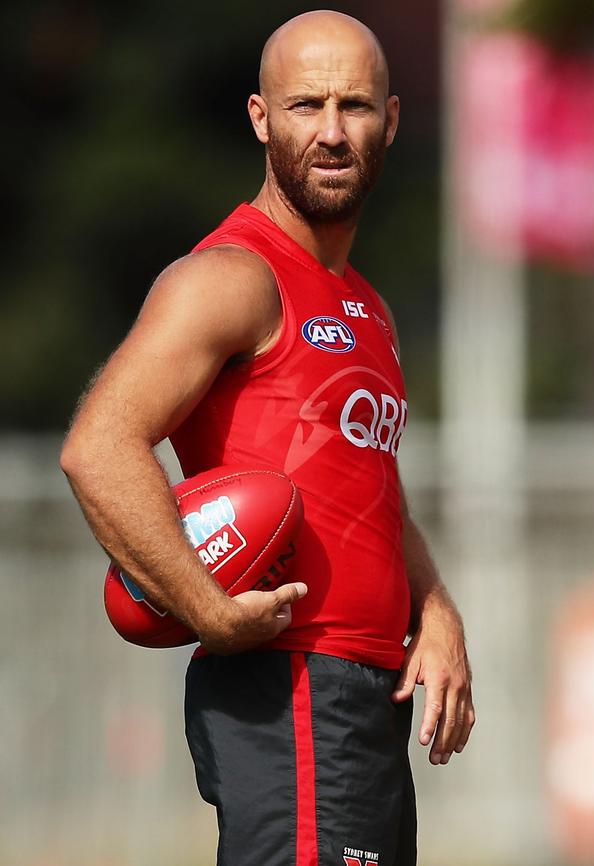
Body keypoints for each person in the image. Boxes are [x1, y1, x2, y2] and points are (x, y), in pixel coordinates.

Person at [61, 10, 475, 866]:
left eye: (355, 106)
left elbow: (367, 489)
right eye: (305, 105)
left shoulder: (369, 306)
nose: (331, 132)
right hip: (291, 688)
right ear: (261, 118)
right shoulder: (229, 277)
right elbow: (98, 445)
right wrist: (207, 609)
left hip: (367, 699)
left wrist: (433, 608)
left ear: (391, 120)